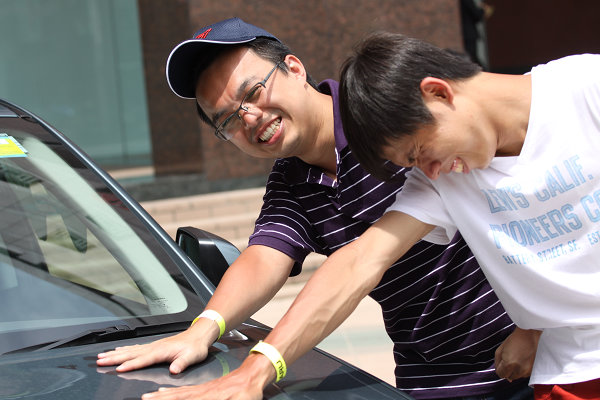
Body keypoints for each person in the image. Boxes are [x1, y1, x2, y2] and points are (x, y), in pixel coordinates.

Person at [96, 18, 535, 399]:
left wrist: (537, 325)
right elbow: (265, 257)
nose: (249, 118)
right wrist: (203, 329)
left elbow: (527, 179)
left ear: (294, 67)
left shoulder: (382, 112)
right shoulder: (291, 181)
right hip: (432, 374)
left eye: (254, 92)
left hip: (532, 351)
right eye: (227, 120)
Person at [336, 32, 600, 398]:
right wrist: (266, 360)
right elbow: (361, 259)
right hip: (570, 375)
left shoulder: (585, 88)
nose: (429, 171)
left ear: (438, 93)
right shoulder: (445, 180)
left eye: (419, 151)